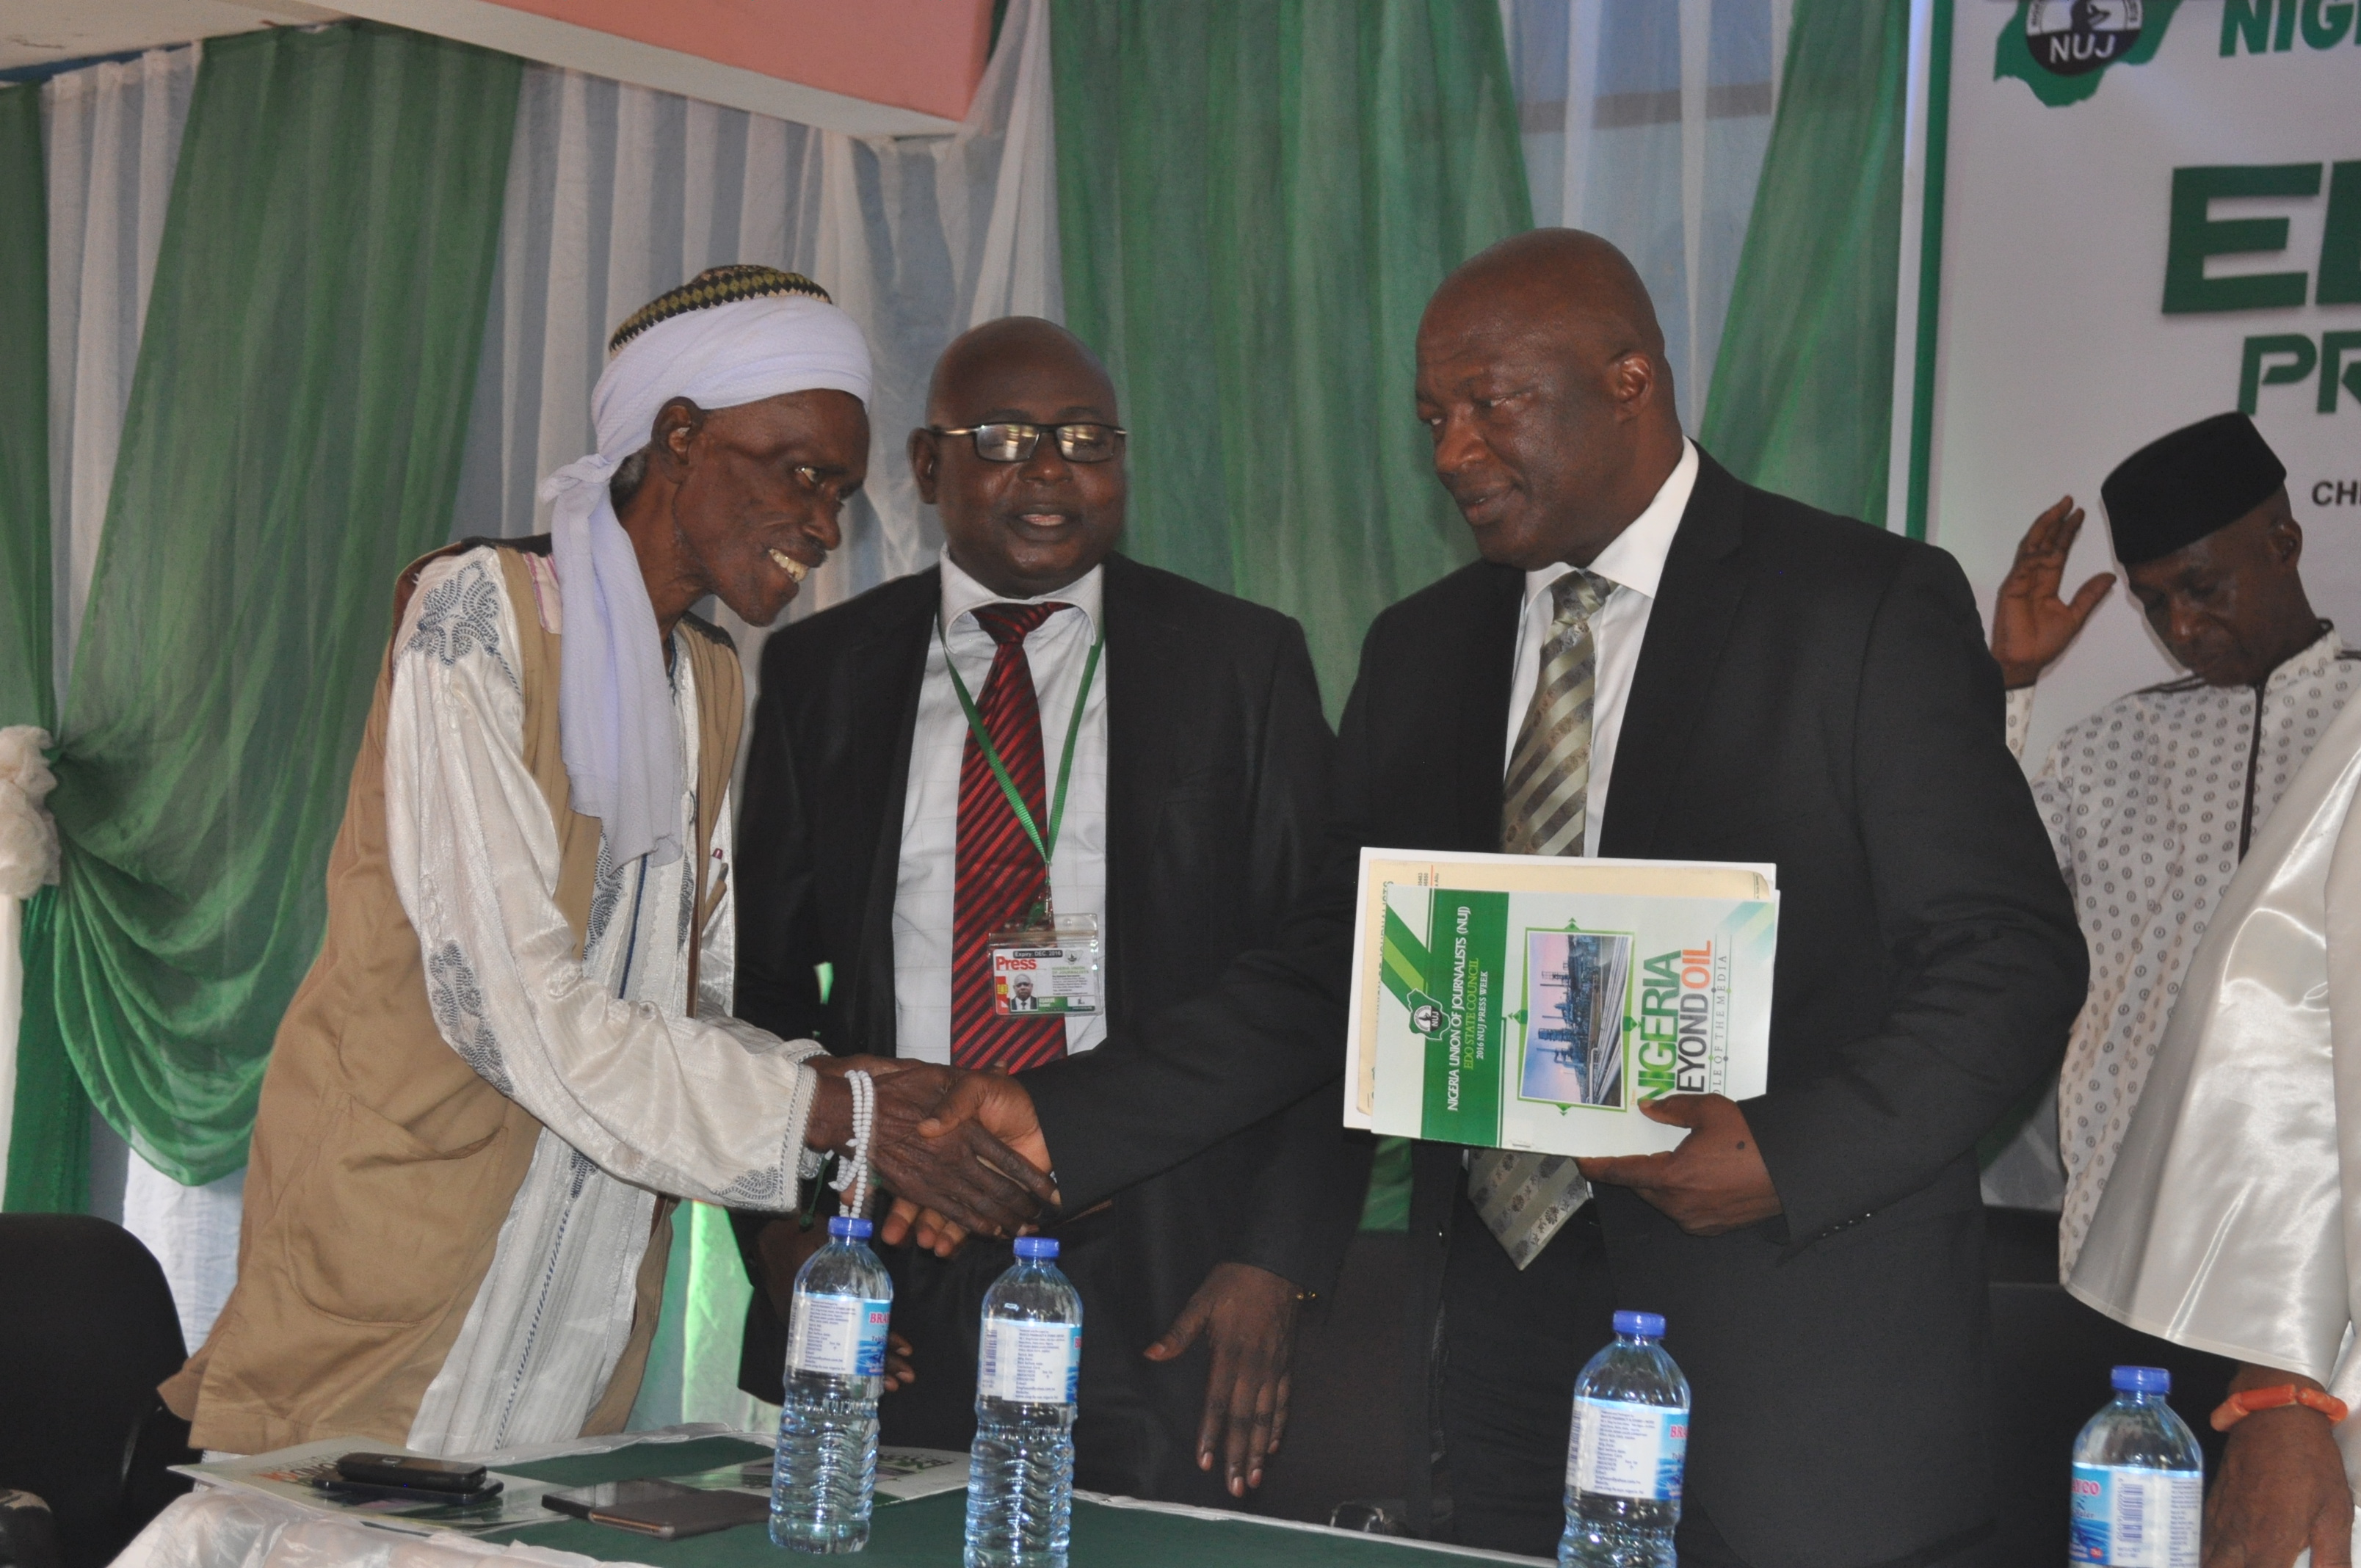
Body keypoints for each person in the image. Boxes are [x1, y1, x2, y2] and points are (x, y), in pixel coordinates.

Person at [894, 231, 2086, 1564]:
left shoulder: (1858, 605)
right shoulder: (1423, 648)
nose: (1453, 451)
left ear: (1630, 379)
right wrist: (1059, 1117)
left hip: (1794, 1349)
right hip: (1510, 1346)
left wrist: (1792, 1153)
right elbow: (1334, 973)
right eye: (1431, 417)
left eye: (1491, 403)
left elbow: (2008, 958)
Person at [160, 267, 1053, 1456]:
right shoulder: (474, 614)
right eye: (799, 474)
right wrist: (840, 1108)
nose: (823, 528)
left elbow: (700, 1004)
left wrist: (869, 1090)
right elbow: (510, 1008)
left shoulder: (713, 678)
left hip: (577, 1304)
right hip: (390, 1285)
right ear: (677, 436)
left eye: (838, 493)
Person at [729, 316, 1368, 1505]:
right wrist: (776, 1231)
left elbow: (1325, 973)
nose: (1049, 471)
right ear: (927, 468)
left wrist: (1275, 1261)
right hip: (889, 1255)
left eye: (1084, 440)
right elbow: (753, 985)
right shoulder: (826, 671)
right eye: (1006, 439)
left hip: (1169, 1265)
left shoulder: (1241, 661)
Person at [1980, 412, 2355, 1270]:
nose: (2180, 628)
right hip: (2129, 1223)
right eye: (2154, 602)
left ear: (2284, 544)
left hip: (2323, 1243)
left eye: (2203, 589)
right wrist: (2010, 679)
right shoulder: (2112, 747)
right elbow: (1980, 885)